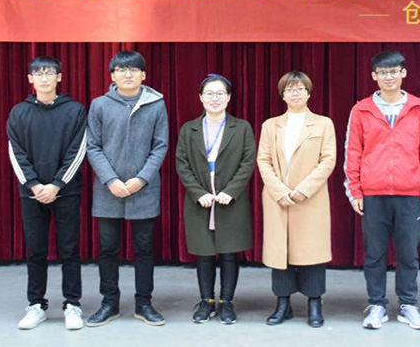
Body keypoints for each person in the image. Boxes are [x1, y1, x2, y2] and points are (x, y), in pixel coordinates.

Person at [344, 50, 420, 331]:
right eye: (383, 72)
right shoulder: (361, 110)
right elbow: (353, 151)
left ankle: (408, 305)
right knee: (374, 253)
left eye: (394, 71)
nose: (389, 77)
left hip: (410, 193)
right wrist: (355, 191)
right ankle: (377, 305)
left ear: (403, 73)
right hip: (373, 193)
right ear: (374, 76)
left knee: (408, 253)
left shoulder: (419, 108)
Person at [85, 50, 169, 327]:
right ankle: (109, 303)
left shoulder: (156, 104)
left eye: (133, 69)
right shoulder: (99, 105)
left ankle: (144, 303)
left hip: (143, 188)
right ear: (112, 75)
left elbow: (160, 146)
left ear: (143, 74)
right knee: (108, 248)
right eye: (121, 69)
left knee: (144, 248)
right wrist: (111, 179)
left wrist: (141, 179)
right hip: (108, 189)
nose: (128, 74)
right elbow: (93, 146)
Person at [6, 56, 88, 330]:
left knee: (70, 250)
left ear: (59, 77)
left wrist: (57, 184)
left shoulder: (75, 110)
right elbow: (16, 153)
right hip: (32, 194)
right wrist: (34, 185)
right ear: (30, 79)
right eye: (38, 74)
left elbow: (78, 150)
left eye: (49, 73)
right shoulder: (19, 112)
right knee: (36, 250)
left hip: (66, 192)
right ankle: (36, 305)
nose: (44, 78)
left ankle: (72, 305)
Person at [257, 70, 336, 328]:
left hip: (310, 199)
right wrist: (279, 191)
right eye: (290, 89)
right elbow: (263, 160)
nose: (295, 93)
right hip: (278, 198)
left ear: (309, 93)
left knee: (312, 251)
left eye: (300, 88)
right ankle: (283, 304)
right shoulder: (270, 125)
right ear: (283, 95)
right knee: (281, 252)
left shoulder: (323, 124)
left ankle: (315, 303)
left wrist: (304, 189)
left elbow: (328, 160)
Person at [175, 74, 256, 325]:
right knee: (204, 254)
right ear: (201, 97)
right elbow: (182, 164)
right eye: (209, 93)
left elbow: (248, 162)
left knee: (230, 253)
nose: (215, 98)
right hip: (200, 200)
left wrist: (231, 191)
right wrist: (198, 193)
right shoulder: (189, 129)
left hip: (231, 200)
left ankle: (226, 302)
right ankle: (206, 301)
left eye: (220, 93)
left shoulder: (242, 128)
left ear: (229, 97)